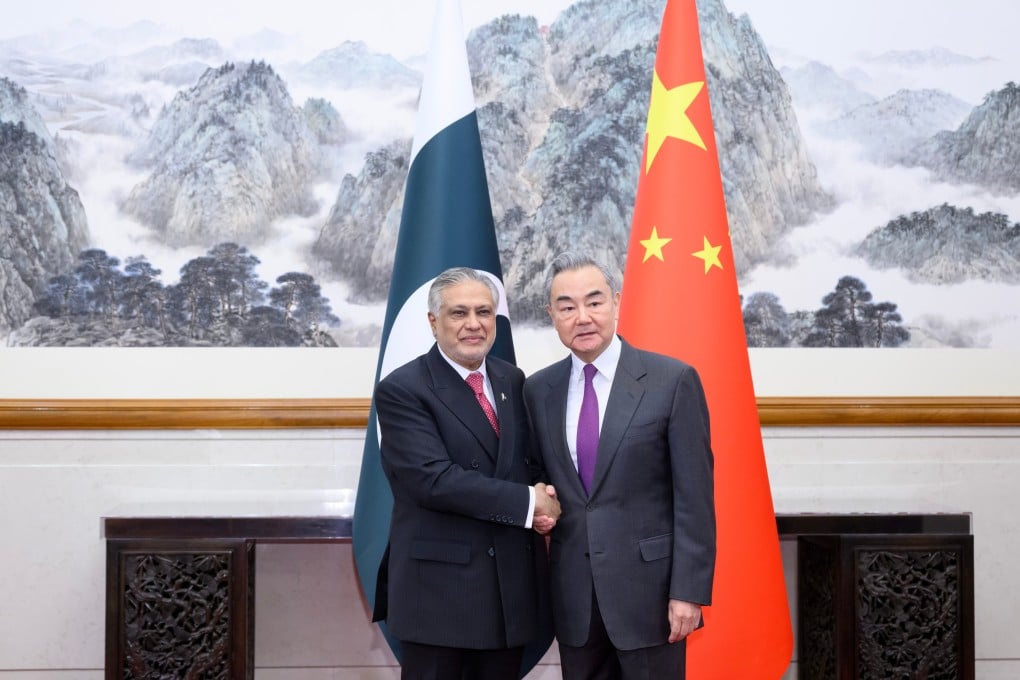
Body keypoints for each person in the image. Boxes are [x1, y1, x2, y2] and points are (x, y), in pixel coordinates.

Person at [523, 252, 716, 680]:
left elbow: (695, 499)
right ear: (552, 316)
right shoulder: (537, 390)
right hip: (574, 598)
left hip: (651, 598)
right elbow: (538, 475)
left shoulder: (672, 381)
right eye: (567, 307)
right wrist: (539, 504)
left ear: (616, 301)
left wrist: (688, 592)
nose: (582, 317)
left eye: (594, 302)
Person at [373, 266, 560, 680]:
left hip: (508, 594)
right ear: (433, 321)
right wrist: (529, 503)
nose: (473, 324)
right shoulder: (403, 389)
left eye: (484, 312)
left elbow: (526, 463)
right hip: (441, 599)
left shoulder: (511, 379)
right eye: (459, 313)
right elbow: (433, 481)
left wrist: (546, 494)